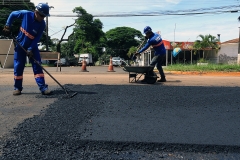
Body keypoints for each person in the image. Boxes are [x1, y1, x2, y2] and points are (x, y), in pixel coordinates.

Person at [2, 3, 52, 95]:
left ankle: (43, 88)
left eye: (44, 16)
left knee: (37, 66)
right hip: (19, 45)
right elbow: (12, 14)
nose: (42, 18)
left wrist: (30, 49)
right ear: (36, 12)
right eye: (41, 15)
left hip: (32, 47)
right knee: (18, 66)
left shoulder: (42, 24)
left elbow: (37, 38)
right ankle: (17, 88)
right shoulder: (26, 14)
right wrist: (8, 25)